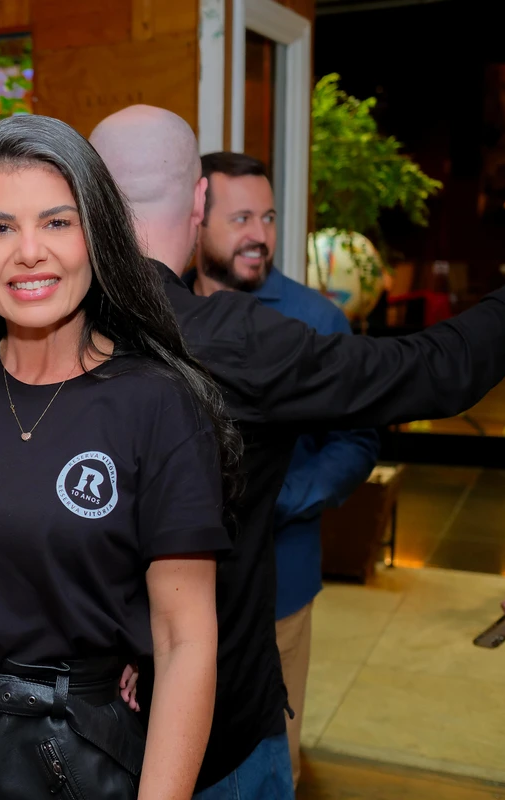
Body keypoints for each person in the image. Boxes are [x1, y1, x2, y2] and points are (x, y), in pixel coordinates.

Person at [91, 105, 505, 799]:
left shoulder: (41, 340)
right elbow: (434, 370)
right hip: (225, 731)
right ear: (200, 200)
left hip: (85, 737)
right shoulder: (237, 341)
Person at [0, 114, 240, 800]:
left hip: (77, 761)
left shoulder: (158, 405)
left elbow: (185, 639)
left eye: (57, 222)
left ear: (97, 235)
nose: (28, 253)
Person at [192, 151, 381, 786]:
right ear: (197, 218)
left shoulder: (314, 319)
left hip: (279, 586)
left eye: (268, 217)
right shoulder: (159, 310)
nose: (260, 235)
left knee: (266, 763)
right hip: (173, 594)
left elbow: (357, 440)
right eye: (241, 216)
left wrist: (284, 496)